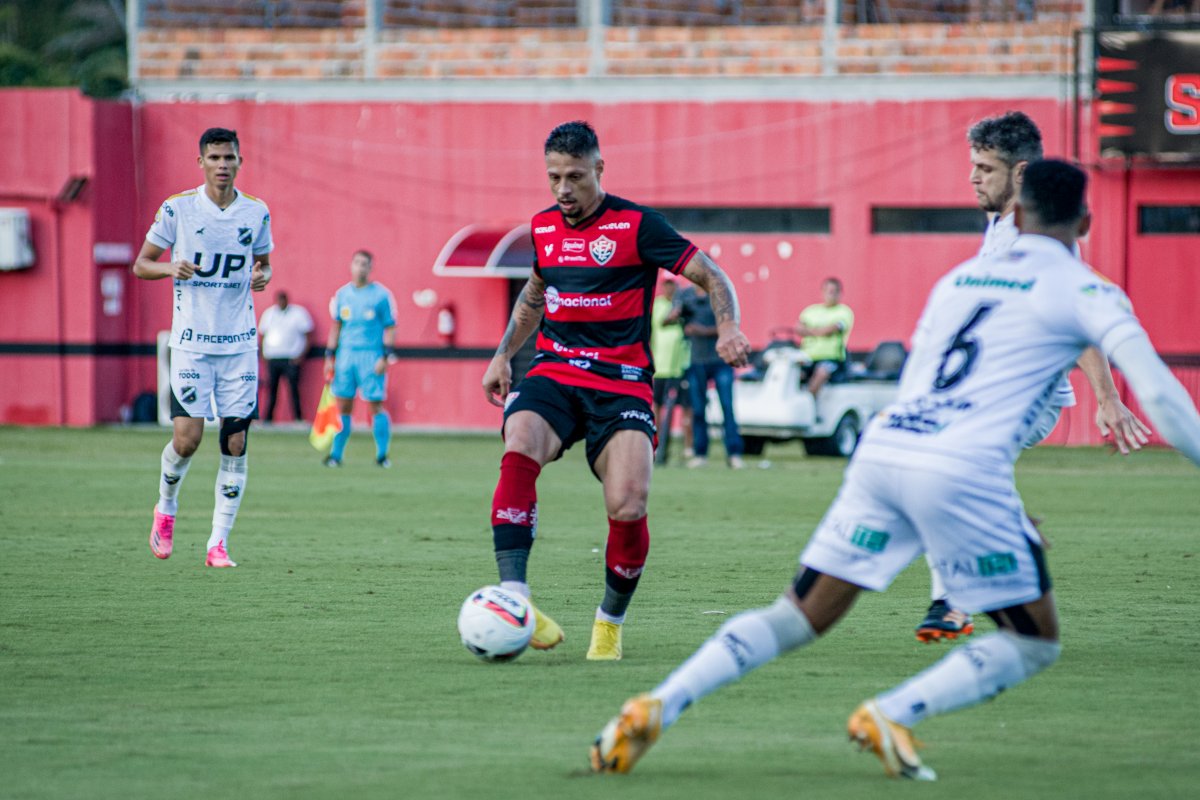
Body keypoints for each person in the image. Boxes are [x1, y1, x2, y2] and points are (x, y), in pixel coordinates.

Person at [589, 159, 1200, 778]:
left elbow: (916, 384)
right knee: (1032, 641)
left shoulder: (961, 281)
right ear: (1086, 221)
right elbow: (1164, 399)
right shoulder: (1088, 289)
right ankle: (894, 711)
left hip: (886, 452)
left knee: (795, 616)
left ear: (1014, 216)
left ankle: (656, 704)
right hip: (961, 471)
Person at [481, 120, 751, 662]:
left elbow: (712, 276)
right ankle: (516, 599)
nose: (563, 189)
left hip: (621, 381)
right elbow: (536, 292)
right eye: (554, 177)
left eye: (575, 177)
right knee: (520, 441)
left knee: (628, 503)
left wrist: (727, 328)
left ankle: (609, 622)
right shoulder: (543, 228)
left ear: (599, 170)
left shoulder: (637, 226)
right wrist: (504, 353)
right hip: (555, 371)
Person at [915, 110, 1151, 642]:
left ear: (1020, 174)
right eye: (973, 166)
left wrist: (1108, 399)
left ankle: (953, 600)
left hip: (1028, 396)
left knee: (950, 467)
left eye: (984, 168)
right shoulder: (1003, 224)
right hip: (993, 392)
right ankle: (984, 564)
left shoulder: (1031, 236)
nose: (972, 177)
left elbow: (1080, 314)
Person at [133, 127, 273, 569]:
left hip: (239, 345)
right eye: (214, 157)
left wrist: (263, 275)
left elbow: (264, 264)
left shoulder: (257, 212)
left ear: (239, 161)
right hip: (192, 344)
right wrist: (170, 267)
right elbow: (141, 264)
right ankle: (166, 508)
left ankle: (218, 543)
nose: (223, 164)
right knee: (188, 440)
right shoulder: (177, 209)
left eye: (229, 157)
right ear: (201, 163)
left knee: (235, 441)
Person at [322, 250, 398, 468]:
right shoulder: (342, 295)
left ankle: (382, 455)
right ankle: (336, 455)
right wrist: (330, 356)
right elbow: (336, 326)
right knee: (343, 406)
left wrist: (385, 355)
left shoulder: (381, 295)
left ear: (370, 268)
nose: (360, 268)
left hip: (371, 355)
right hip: (346, 356)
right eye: (357, 263)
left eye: (365, 264)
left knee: (375, 405)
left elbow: (391, 327)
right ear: (351, 265)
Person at [673, 282, 746, 469]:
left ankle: (734, 454)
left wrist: (701, 330)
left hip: (721, 360)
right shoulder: (686, 297)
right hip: (696, 360)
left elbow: (730, 327)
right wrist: (677, 314)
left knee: (727, 408)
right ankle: (700, 453)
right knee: (698, 410)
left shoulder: (721, 296)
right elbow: (669, 320)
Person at [650, 276, 693, 465]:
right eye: (667, 285)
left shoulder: (685, 304)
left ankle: (688, 450)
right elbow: (661, 324)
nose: (670, 288)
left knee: (687, 408)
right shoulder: (658, 305)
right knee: (657, 408)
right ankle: (657, 447)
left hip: (681, 364)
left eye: (673, 285)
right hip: (660, 366)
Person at [794, 277, 854, 400]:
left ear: (840, 293)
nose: (831, 295)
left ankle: (809, 403)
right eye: (828, 291)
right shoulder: (811, 310)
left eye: (834, 291)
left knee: (822, 372)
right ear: (823, 292)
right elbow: (798, 329)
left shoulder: (844, 311)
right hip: (807, 357)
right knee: (793, 373)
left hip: (832, 358)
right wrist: (820, 331)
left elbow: (832, 329)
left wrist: (810, 331)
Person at [258, 290, 313, 423]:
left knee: (293, 389)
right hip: (273, 357)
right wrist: (264, 354)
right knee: (272, 389)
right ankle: (268, 419)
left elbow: (308, 334)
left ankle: (298, 418)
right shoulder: (269, 314)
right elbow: (263, 334)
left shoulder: (298, 313)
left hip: (290, 358)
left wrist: (300, 355)